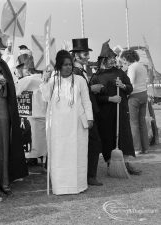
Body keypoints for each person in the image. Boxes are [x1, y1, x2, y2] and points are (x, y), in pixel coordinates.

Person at [40, 50, 93, 195]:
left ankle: (79, 185)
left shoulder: (80, 80)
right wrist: (44, 80)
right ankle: (60, 186)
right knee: (60, 155)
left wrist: (89, 118)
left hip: (77, 125)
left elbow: (86, 101)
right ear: (59, 66)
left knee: (78, 154)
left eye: (70, 64)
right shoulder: (53, 80)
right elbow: (45, 98)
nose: (68, 67)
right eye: (65, 65)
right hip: (58, 126)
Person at [0, 36, 28, 195]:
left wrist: (3, 85)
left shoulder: (3, 66)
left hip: (1, 110)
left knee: (2, 145)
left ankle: (4, 180)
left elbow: (10, 90)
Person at [91, 40, 141, 175]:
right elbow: (94, 98)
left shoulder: (120, 73)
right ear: (104, 60)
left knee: (123, 136)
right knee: (108, 136)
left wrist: (123, 86)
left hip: (121, 110)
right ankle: (110, 163)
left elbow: (130, 88)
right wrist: (110, 99)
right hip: (105, 113)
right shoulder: (96, 77)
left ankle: (124, 162)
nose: (113, 60)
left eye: (114, 58)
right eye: (111, 58)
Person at [70, 38, 103, 186]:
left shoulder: (80, 70)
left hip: (87, 112)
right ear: (76, 55)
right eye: (85, 54)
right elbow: (77, 92)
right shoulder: (75, 71)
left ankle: (89, 174)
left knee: (91, 143)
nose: (88, 57)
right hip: (83, 114)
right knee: (93, 143)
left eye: (88, 54)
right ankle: (90, 175)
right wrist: (92, 89)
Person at [15, 54, 47, 167]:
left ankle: (31, 159)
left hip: (30, 115)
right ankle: (42, 160)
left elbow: (15, 91)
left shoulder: (27, 80)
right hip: (42, 114)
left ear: (26, 69)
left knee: (31, 140)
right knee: (42, 141)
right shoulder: (42, 78)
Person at [120, 49, 149, 154]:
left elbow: (130, 83)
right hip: (144, 94)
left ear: (127, 58)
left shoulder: (132, 67)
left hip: (134, 96)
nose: (123, 63)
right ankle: (145, 147)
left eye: (123, 60)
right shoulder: (142, 66)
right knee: (142, 122)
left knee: (133, 123)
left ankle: (137, 148)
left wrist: (122, 85)